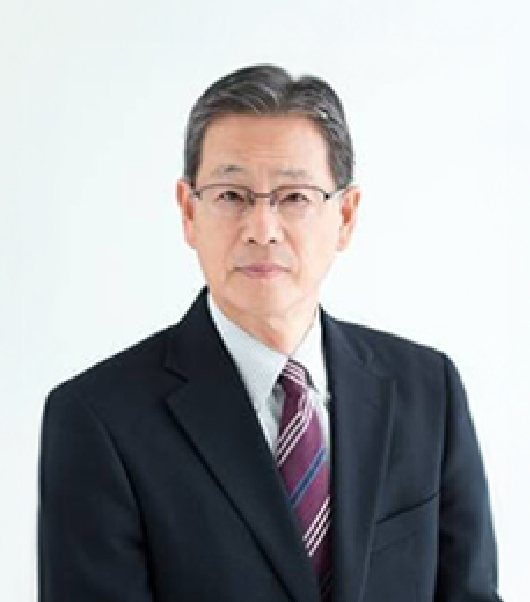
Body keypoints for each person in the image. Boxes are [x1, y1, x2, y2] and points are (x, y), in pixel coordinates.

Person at [38, 64, 503, 602]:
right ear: (188, 212)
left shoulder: (427, 390)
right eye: (231, 195)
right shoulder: (98, 419)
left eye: (295, 196)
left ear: (345, 215)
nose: (262, 229)